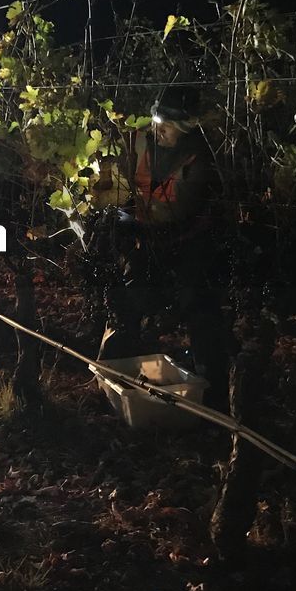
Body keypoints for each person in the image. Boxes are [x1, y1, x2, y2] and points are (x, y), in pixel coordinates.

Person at [98, 84, 230, 410]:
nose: (158, 132)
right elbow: (132, 189)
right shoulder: (146, 147)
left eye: (165, 127)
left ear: (184, 128)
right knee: (127, 295)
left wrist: (135, 217)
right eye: (156, 124)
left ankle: (211, 392)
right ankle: (114, 371)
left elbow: (178, 210)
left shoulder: (201, 159)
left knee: (198, 308)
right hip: (150, 240)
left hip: (190, 245)